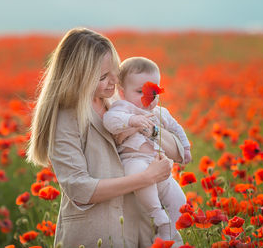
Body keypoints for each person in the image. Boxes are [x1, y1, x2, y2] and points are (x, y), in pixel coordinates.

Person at [26, 28, 187, 248]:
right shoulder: (66, 117)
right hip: (96, 234)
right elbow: (79, 188)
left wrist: (148, 129)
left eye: (114, 70)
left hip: (139, 229)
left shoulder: (118, 103)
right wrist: (146, 177)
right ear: (80, 78)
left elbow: (178, 151)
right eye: (103, 77)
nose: (114, 81)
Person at [102, 57, 192, 242]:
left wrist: (186, 147)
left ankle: (166, 235)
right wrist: (132, 121)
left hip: (160, 166)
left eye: (154, 92)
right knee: (137, 172)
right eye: (140, 92)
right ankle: (156, 212)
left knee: (180, 202)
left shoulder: (160, 112)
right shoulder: (123, 108)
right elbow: (109, 121)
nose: (149, 98)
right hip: (134, 161)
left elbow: (176, 128)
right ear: (122, 92)